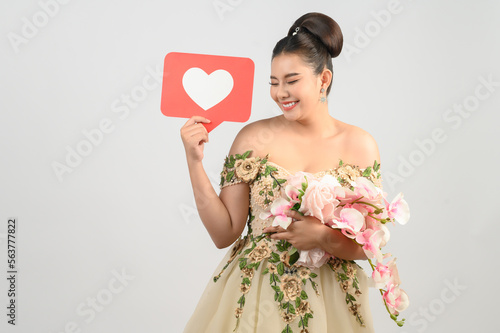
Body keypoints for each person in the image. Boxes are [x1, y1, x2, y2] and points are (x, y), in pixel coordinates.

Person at [181, 12, 379, 333]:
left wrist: (322, 237)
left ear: (323, 80)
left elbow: (370, 244)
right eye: (273, 82)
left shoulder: (360, 145)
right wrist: (194, 160)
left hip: (330, 304)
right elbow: (224, 233)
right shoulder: (252, 138)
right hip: (256, 298)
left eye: (291, 80)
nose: (280, 93)